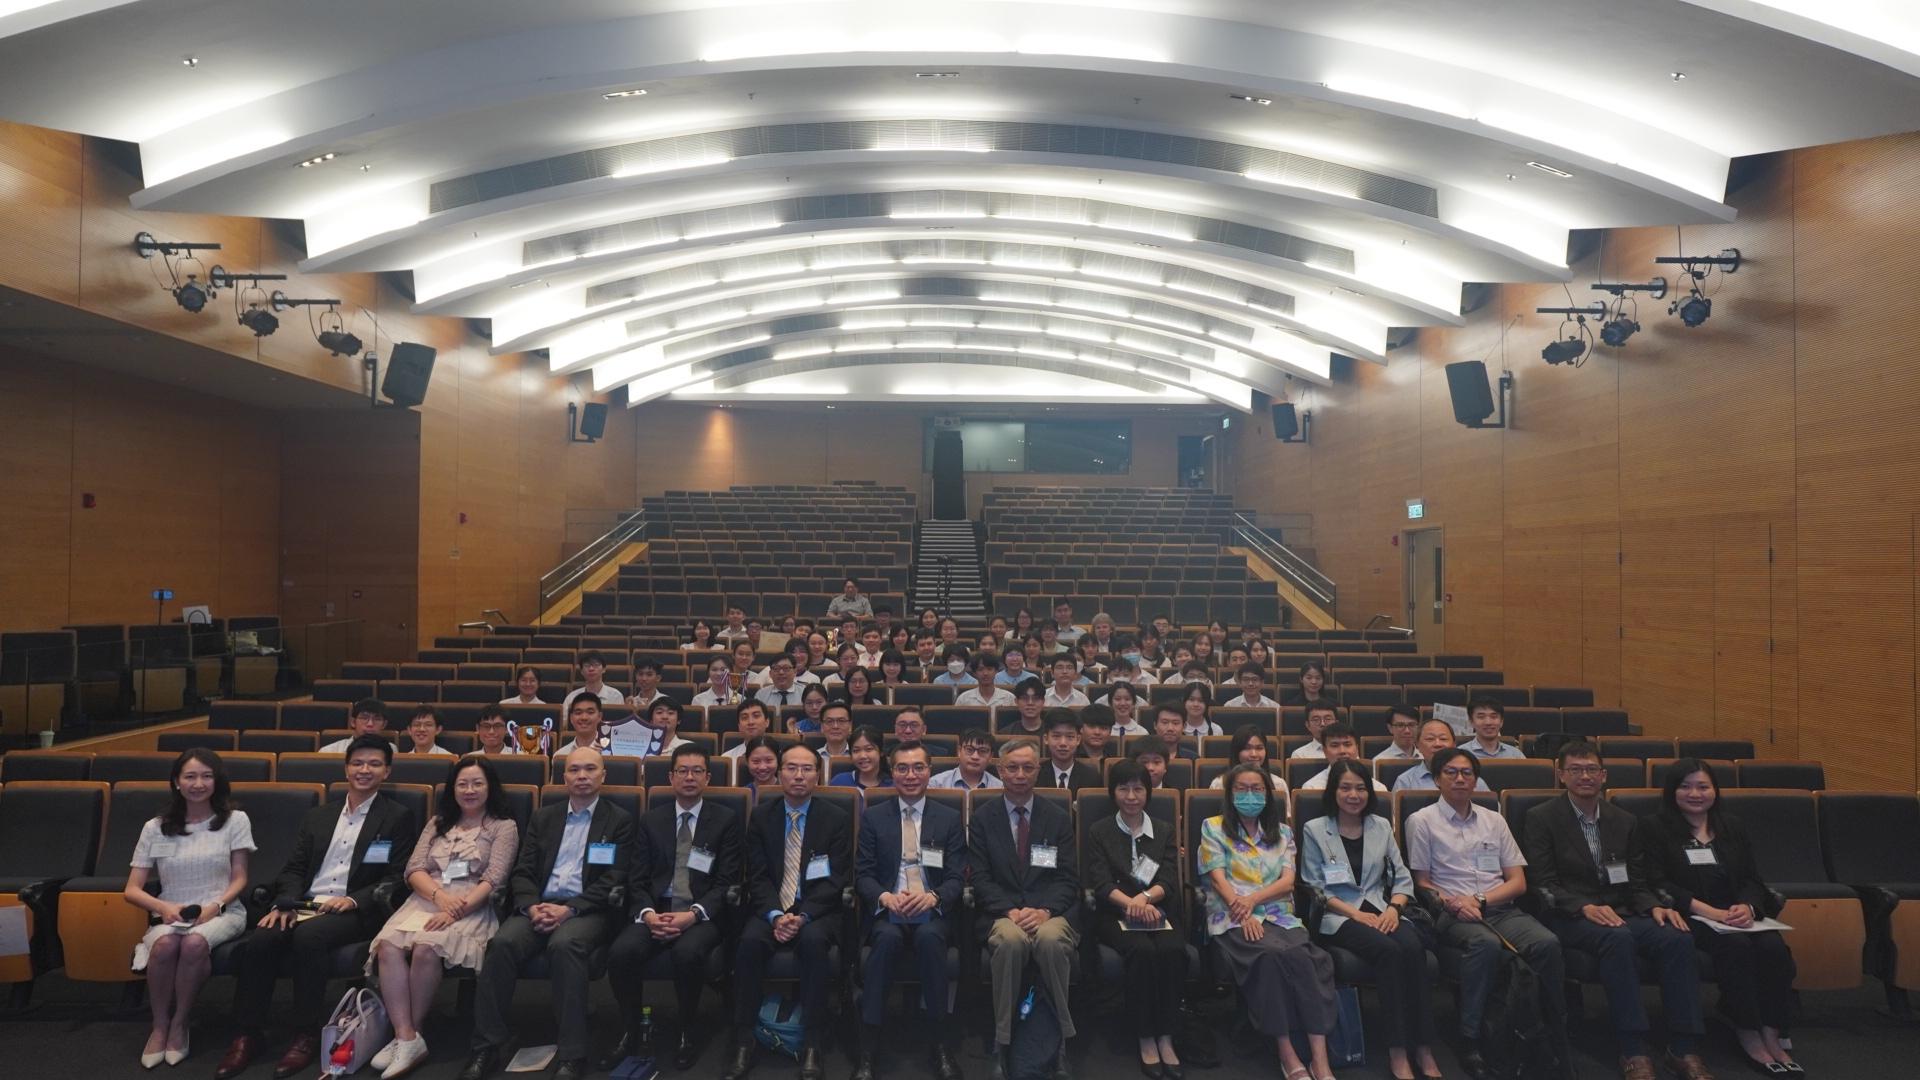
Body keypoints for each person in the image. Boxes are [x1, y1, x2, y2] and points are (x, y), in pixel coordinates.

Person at [217, 735, 418, 1080]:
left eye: (373, 764)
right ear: (346, 768)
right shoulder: (319, 816)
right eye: (357, 763)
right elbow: (295, 868)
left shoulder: (396, 817)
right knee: (262, 939)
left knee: (308, 938)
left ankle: (306, 1033)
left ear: (387, 771)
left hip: (356, 909)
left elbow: (395, 876)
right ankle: (248, 1034)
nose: (364, 770)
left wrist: (354, 899)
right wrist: (285, 902)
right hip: (306, 903)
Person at [1522, 740, 1708, 1080]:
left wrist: (1654, 906)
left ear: (1604, 775)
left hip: (1621, 909)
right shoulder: (1541, 818)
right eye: (1575, 770)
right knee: (1617, 938)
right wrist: (1584, 906)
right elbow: (1542, 882)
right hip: (1569, 915)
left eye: (1591, 769)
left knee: (1676, 937)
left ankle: (1683, 1048)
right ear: (1561, 775)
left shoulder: (1624, 820)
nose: (1585, 776)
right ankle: (1633, 1047)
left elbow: (1636, 880)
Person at [457, 747, 635, 1080]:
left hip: (587, 910)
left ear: (603, 775)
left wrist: (569, 910)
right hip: (538, 904)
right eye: (574, 770)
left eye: (590, 769)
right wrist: (530, 904)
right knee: (501, 945)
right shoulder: (544, 817)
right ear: (563, 776)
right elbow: (523, 870)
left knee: (564, 946)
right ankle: (487, 1046)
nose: (582, 776)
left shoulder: (619, 820)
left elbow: (615, 879)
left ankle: (572, 1053)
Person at [1405, 748, 1563, 1080]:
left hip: (1499, 907)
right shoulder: (1421, 821)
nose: (1460, 778)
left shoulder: (1494, 819)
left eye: (1466, 772)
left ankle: (1546, 1033)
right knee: (1485, 945)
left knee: (1546, 943)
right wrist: (1454, 902)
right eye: (1451, 772)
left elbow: (1518, 881)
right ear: (1436, 779)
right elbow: (1422, 882)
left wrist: (1481, 899)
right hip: (1452, 911)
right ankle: (1471, 1037)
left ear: (1476, 779)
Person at [1637, 760, 1799, 1075]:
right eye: (1685, 786)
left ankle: (1772, 1029)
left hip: (1737, 913)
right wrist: (1708, 911)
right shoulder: (1654, 827)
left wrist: (1748, 907)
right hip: (1691, 914)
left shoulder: (1731, 825)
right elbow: (1657, 882)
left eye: (1703, 786)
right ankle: (1747, 1029)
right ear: (1672, 791)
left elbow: (1752, 878)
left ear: (1715, 790)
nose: (1694, 793)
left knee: (1774, 949)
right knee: (1735, 948)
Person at [364, 755, 516, 1080]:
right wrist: (440, 898)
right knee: (388, 946)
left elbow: (495, 877)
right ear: (452, 789)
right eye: (462, 784)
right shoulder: (437, 823)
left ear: (490, 787)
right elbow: (413, 869)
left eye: (477, 783)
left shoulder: (504, 827)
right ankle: (406, 1036)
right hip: (428, 896)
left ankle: (409, 1036)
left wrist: (456, 909)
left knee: (427, 947)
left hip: (472, 902)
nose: (470, 790)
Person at [1298, 760, 1440, 1080]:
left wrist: (1393, 909)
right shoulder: (1316, 829)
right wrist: (1355, 914)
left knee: (1413, 946)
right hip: (1338, 916)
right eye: (1345, 787)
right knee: (1389, 952)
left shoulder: (1381, 826)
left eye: (1360, 787)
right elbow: (1315, 887)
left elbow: (1402, 878)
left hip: (1380, 908)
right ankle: (1398, 1051)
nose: (1354, 794)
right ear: (1333, 791)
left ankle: (1424, 1046)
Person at [606, 744, 744, 1072]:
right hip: (656, 910)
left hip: (701, 913)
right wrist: (649, 915)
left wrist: (692, 915)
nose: (689, 777)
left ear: (708, 778)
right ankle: (630, 1030)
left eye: (697, 771)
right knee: (621, 952)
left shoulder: (724, 820)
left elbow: (726, 881)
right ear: (671, 777)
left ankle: (687, 1030)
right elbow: (636, 879)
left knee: (688, 953)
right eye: (682, 770)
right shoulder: (652, 820)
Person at [721, 743, 852, 1080]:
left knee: (812, 942)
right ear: (778, 774)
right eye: (791, 768)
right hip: (771, 908)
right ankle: (743, 1038)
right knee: (749, 942)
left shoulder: (835, 817)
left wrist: (803, 915)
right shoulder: (762, 816)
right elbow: (758, 875)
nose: (798, 775)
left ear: (817, 774)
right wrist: (776, 916)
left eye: (806, 768)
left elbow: (837, 879)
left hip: (817, 912)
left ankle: (812, 1039)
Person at [1200, 763, 1339, 1080]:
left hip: (1278, 915)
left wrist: (1252, 902)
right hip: (1231, 915)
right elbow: (1218, 879)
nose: (1250, 795)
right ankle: (1287, 1052)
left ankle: (1320, 1059)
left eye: (1257, 789)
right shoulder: (1213, 827)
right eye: (1242, 789)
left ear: (1268, 793)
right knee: (1271, 957)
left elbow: (1287, 882)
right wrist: (1243, 909)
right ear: (1230, 793)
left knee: (1307, 959)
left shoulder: (1283, 833)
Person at [125, 749, 256, 1069]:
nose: (199, 783)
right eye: (190, 776)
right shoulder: (155, 827)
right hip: (171, 912)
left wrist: (216, 905)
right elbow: (131, 890)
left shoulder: (234, 820)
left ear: (217, 780)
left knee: (195, 943)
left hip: (223, 911)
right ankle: (159, 1025)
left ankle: (180, 1023)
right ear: (176, 782)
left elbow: (240, 878)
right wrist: (164, 907)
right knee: (167, 944)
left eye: (207, 776)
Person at [853, 741, 968, 1080]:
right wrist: (885, 897)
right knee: (885, 941)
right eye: (902, 767)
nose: (911, 774)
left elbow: (956, 876)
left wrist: (933, 897)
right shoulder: (874, 817)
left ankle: (940, 1043)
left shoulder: (948, 818)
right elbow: (863, 873)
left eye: (918, 767)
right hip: (889, 909)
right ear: (892, 773)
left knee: (932, 940)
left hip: (930, 909)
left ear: (929, 771)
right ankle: (868, 1048)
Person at [970, 738, 1079, 1075]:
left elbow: (1068, 878)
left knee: (1049, 941)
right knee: (1011, 942)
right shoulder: (983, 818)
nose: (1020, 774)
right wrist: (1010, 910)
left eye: (1028, 767)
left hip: (1050, 913)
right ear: (1000, 770)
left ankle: (1060, 1039)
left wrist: (1044, 910)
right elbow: (981, 877)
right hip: (1002, 914)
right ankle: (1003, 1042)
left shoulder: (1057, 817)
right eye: (1012, 767)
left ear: (1039, 770)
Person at [1087, 761, 1187, 1077]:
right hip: (1114, 914)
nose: (1131, 796)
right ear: (1113, 792)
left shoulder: (1163, 830)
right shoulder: (1099, 830)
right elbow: (1100, 883)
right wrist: (1131, 903)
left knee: (1173, 950)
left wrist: (1145, 899)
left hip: (1156, 909)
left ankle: (1166, 1036)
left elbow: (1169, 879)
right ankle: (1145, 1036)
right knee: (1142, 952)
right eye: (1123, 788)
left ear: (1148, 791)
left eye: (1138, 788)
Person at [1392, 720, 1491, 792]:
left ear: (1454, 744)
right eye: (1430, 739)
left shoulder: (1473, 780)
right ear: (1417, 745)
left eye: (1443, 739)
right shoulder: (1405, 781)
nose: (1437, 744)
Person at [1298, 724, 1387, 791]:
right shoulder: (1312, 787)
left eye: (1347, 744)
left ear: (1357, 749)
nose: (1342, 751)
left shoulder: (1377, 788)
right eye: (1335, 745)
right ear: (1325, 751)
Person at [1208, 724, 1289, 796]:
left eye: (1259, 748)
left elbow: (1285, 813)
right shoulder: (1219, 784)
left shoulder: (1279, 784)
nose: (1254, 754)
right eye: (1247, 748)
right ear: (1236, 751)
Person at [1040, 709, 1100, 791]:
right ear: (1046, 739)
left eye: (1070, 737)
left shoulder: (1091, 776)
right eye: (1056, 736)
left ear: (1078, 740)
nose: (1063, 743)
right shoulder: (1036, 774)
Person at [931, 729, 1003, 790]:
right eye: (969, 750)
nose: (975, 757)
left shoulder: (1000, 788)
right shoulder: (936, 784)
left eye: (982, 751)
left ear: (991, 756)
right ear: (959, 751)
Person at [561, 650, 626, 713]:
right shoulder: (572, 697)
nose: (591, 669)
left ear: (604, 669)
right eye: (587, 665)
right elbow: (564, 721)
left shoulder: (616, 696)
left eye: (596, 665)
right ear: (581, 671)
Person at [320, 698, 388, 753]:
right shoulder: (329, 751)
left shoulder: (392, 750)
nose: (370, 724)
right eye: (364, 718)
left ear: (384, 725)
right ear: (353, 722)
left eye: (377, 719)